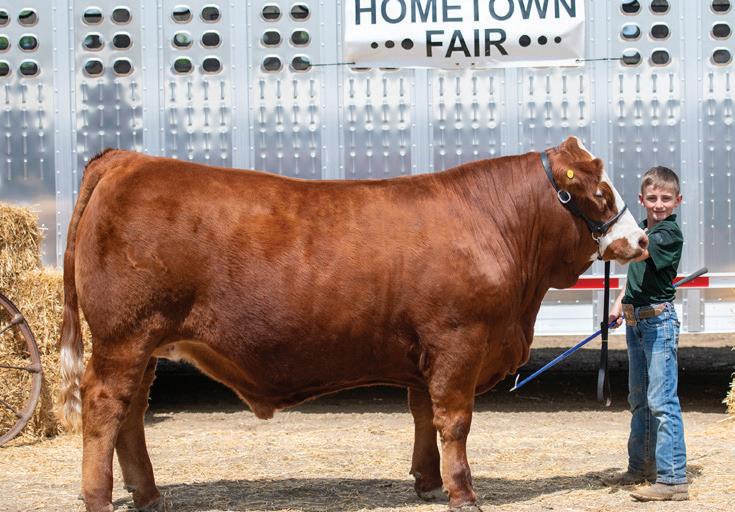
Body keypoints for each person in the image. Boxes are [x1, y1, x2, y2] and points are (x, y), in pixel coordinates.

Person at [604, 166, 688, 501]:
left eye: (666, 198)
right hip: (636, 321)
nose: (659, 204)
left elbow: (639, 252)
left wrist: (605, 240)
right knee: (639, 401)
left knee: (662, 401)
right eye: (652, 197)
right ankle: (640, 467)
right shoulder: (640, 229)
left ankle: (673, 479)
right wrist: (618, 304)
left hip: (658, 323)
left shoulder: (667, 233)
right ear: (641, 199)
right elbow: (635, 276)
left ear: (677, 201)